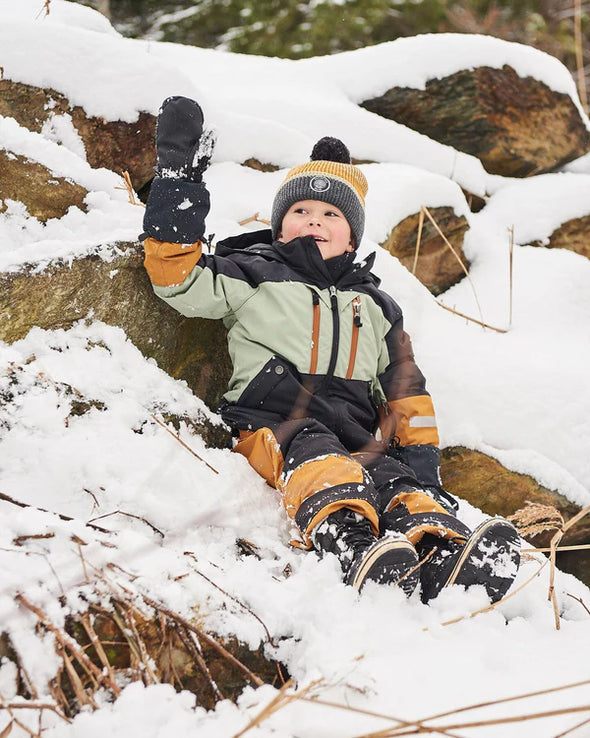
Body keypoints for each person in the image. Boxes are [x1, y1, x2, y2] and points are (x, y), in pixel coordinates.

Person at [141, 96, 521, 601]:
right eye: (300, 210)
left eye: (329, 214)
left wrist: (424, 460)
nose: (313, 220)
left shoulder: (378, 305)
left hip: (359, 429)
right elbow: (177, 277)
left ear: (352, 237)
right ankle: (349, 542)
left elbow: (404, 384)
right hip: (273, 419)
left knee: (394, 478)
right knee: (320, 458)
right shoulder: (254, 274)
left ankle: (440, 554)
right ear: (280, 227)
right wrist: (177, 183)